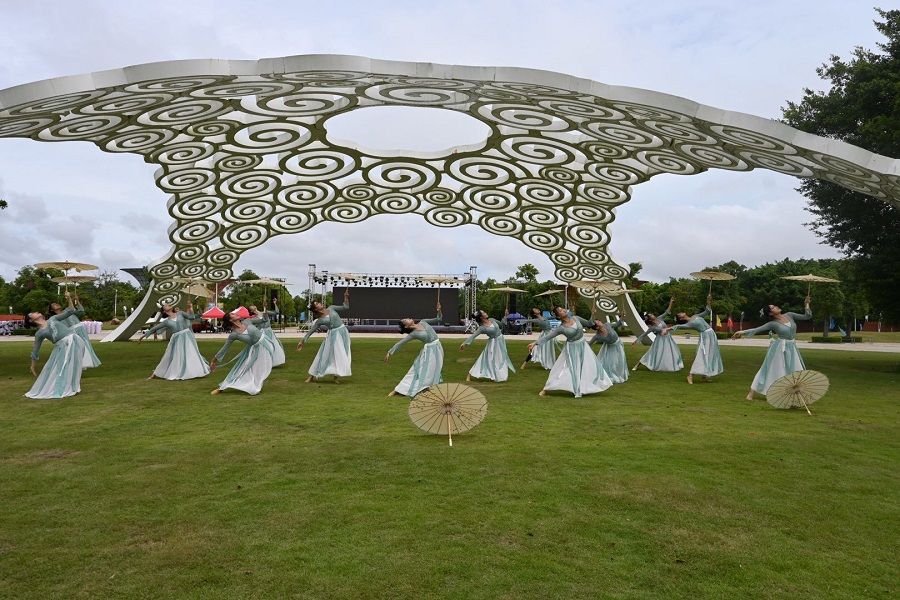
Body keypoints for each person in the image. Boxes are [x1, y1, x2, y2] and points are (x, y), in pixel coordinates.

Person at [732, 296, 812, 400]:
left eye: (774, 306)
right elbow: (757, 329)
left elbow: (807, 316)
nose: (776, 307)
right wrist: (742, 332)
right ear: (770, 313)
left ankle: (796, 394)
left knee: (795, 369)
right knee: (770, 369)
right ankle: (751, 392)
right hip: (779, 349)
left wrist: (806, 304)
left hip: (792, 347)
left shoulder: (790, 315)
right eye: (773, 307)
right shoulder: (772, 324)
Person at [529, 306, 613, 397]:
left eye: (563, 309)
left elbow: (589, 323)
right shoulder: (561, 328)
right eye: (560, 310)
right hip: (571, 349)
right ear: (558, 316)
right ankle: (547, 388)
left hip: (583, 346)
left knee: (589, 366)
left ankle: (581, 387)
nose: (564, 310)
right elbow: (548, 336)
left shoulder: (576, 318)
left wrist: (593, 314)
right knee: (561, 368)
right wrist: (535, 343)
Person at [25, 291, 87, 399]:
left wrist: (69, 298)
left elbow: (71, 311)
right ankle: (62, 388)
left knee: (75, 365)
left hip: (75, 340)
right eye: (33, 313)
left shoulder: (53, 318)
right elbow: (35, 351)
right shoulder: (39, 333)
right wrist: (32, 366)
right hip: (63, 346)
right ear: (31, 320)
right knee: (62, 367)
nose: (36, 312)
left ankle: (73, 387)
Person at [138, 300, 209, 380]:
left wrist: (191, 308)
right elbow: (154, 329)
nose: (168, 304)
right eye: (166, 305)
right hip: (177, 339)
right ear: (164, 311)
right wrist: (142, 336)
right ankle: (156, 374)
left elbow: (191, 317)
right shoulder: (166, 322)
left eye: (168, 304)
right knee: (170, 356)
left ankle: (193, 371)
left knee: (191, 354)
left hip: (187, 336)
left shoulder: (180, 313)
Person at [384, 303, 444, 397]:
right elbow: (401, 342)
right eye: (406, 320)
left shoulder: (423, 322)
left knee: (433, 370)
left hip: (438, 347)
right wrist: (390, 352)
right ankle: (399, 389)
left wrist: (439, 310)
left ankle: (426, 388)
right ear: (406, 326)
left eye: (407, 318)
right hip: (429, 351)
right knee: (417, 370)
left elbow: (439, 319)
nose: (408, 318)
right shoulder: (413, 334)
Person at [209, 311, 275, 395]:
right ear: (230, 320)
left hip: (266, 344)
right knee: (243, 368)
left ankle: (254, 384)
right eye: (232, 314)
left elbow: (264, 320)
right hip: (255, 350)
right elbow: (224, 348)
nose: (236, 314)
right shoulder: (234, 334)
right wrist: (213, 361)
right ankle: (222, 388)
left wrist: (265, 312)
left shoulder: (247, 321)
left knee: (260, 368)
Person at [664, 295, 723, 384]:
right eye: (680, 314)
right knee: (702, 355)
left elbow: (707, 311)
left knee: (709, 354)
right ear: (681, 318)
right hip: (705, 337)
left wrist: (708, 300)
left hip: (711, 334)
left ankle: (704, 376)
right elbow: (678, 326)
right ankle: (690, 375)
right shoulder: (689, 324)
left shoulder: (695, 316)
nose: (681, 312)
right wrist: (667, 329)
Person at [297, 288, 351, 383]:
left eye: (318, 302)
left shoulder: (331, 308)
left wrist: (345, 297)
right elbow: (310, 331)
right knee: (323, 355)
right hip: (332, 336)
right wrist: (302, 341)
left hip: (343, 332)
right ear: (315, 309)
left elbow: (345, 307)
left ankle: (336, 377)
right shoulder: (320, 320)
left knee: (341, 355)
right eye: (317, 304)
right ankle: (312, 375)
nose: (319, 303)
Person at [459, 309, 515, 382]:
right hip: (492, 344)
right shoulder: (482, 328)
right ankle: (470, 373)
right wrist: (464, 343)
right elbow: (473, 336)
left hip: (500, 342)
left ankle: (498, 375)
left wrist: (505, 316)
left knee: (500, 358)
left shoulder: (492, 320)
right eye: (484, 313)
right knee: (486, 359)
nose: (486, 313)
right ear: (481, 317)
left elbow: (501, 325)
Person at [48, 291, 101, 369]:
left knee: (86, 345)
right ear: (52, 310)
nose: (57, 304)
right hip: (73, 332)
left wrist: (77, 300)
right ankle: (77, 363)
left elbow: (81, 311)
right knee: (77, 347)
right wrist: (69, 298)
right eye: (54, 305)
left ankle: (84, 363)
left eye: (56, 303)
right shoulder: (55, 318)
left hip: (80, 329)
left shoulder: (66, 310)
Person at [632, 298, 683, 372]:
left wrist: (671, 302)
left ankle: (671, 365)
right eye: (651, 315)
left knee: (669, 352)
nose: (653, 315)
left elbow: (667, 311)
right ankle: (637, 365)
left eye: (652, 314)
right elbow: (644, 334)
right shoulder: (652, 327)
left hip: (668, 338)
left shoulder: (660, 318)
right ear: (650, 319)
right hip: (660, 340)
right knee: (652, 352)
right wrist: (636, 340)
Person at [588, 315, 629, 384]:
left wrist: (622, 318)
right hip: (610, 348)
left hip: (618, 345)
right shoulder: (597, 336)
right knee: (611, 363)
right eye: (597, 322)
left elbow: (617, 324)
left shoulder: (608, 325)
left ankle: (620, 374)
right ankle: (610, 376)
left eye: (598, 320)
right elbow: (589, 344)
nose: (599, 321)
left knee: (620, 361)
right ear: (597, 327)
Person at [249, 301, 285, 367]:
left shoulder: (265, 312)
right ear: (251, 311)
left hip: (269, 332)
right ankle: (264, 362)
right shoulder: (254, 318)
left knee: (273, 345)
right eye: (251, 308)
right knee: (264, 347)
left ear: (256, 307)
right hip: (262, 333)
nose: (253, 308)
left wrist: (274, 303)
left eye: (253, 307)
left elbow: (276, 312)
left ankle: (272, 362)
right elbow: (258, 324)